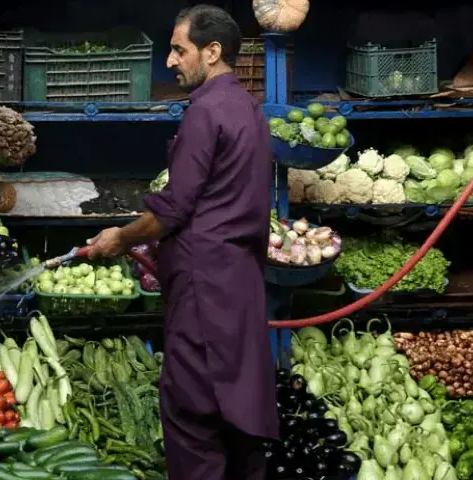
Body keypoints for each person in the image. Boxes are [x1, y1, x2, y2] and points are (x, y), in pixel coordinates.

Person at [85, 4, 277, 479]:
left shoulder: (204, 112)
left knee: (192, 415)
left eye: (179, 50)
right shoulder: (250, 110)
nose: (170, 62)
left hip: (202, 290)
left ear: (212, 52)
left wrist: (118, 237)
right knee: (240, 410)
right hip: (242, 284)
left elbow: (171, 212)